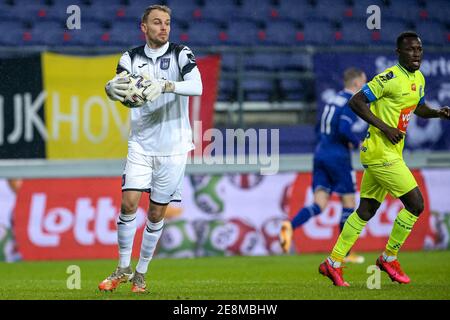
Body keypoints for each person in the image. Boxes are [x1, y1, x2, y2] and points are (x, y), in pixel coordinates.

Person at [319, 31, 450, 287]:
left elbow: (418, 107)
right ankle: (388, 257)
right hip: (381, 152)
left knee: (365, 210)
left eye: (419, 49)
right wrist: (385, 128)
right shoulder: (388, 77)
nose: (416, 54)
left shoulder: (419, 78)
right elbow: (356, 102)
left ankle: (332, 263)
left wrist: (438, 113)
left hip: (387, 152)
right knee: (415, 204)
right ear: (398, 52)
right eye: (411, 49)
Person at [99, 4, 202, 293]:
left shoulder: (181, 53)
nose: (163, 27)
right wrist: (111, 89)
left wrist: (167, 85)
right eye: (157, 22)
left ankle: (141, 274)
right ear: (144, 27)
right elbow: (120, 85)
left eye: (167, 22)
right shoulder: (130, 57)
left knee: (156, 213)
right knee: (129, 202)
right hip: (141, 143)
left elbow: (197, 87)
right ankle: (122, 267)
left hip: (174, 147)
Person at [279, 68, 367, 264]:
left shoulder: (333, 100)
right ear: (356, 83)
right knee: (349, 203)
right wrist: (357, 142)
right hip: (338, 156)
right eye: (364, 82)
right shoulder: (351, 102)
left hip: (320, 154)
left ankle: (290, 226)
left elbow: (319, 127)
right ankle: (345, 253)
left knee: (319, 204)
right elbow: (344, 129)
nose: (365, 86)